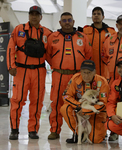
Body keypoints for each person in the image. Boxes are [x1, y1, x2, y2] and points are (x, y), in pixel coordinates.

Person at [7, 6, 52, 140]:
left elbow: (51, 52)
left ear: (41, 17)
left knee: (37, 102)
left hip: (39, 71)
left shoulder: (47, 33)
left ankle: (33, 129)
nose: (34, 16)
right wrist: (11, 65)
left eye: (36, 14)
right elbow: (10, 48)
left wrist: (58, 68)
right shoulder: (18, 30)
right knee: (17, 100)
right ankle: (14, 129)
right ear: (28, 16)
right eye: (31, 14)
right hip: (21, 70)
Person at [46, 12, 93, 140]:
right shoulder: (53, 37)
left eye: (69, 20)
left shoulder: (82, 37)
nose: (67, 22)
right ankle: (55, 130)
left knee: (79, 104)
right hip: (59, 75)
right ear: (60, 23)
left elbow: (88, 55)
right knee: (56, 103)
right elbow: (48, 55)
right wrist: (58, 66)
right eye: (64, 20)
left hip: (77, 76)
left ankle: (78, 131)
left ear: (73, 22)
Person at [60, 60, 109, 143]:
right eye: (84, 72)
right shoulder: (75, 79)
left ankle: (99, 132)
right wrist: (79, 106)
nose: (86, 75)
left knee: (96, 140)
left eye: (89, 72)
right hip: (79, 112)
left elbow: (103, 104)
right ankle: (79, 133)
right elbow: (66, 96)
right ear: (80, 72)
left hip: (96, 113)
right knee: (65, 108)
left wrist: (85, 111)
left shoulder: (102, 82)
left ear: (94, 72)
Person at [82, 7, 116, 76]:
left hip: (106, 69)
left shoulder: (112, 32)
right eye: (94, 14)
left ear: (103, 17)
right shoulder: (85, 31)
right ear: (92, 17)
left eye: (98, 14)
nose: (96, 15)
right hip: (90, 68)